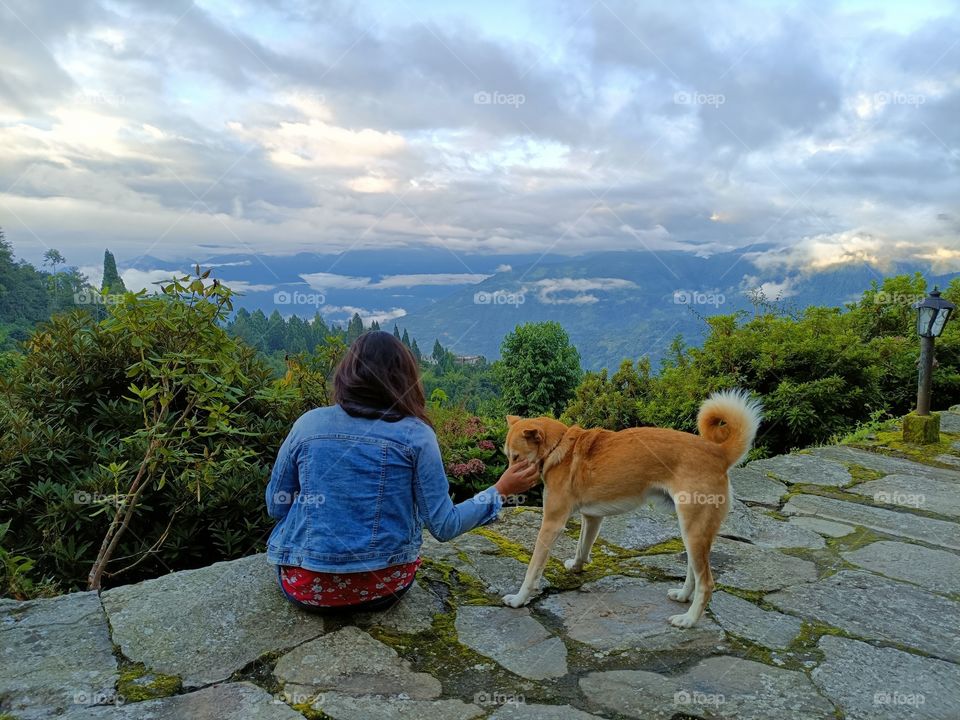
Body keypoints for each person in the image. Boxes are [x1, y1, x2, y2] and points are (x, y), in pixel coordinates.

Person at [265, 330, 539, 612]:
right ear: (405, 379)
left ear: (346, 374)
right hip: (385, 585)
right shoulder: (417, 435)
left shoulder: (308, 425)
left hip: (307, 586)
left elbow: (276, 506)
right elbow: (445, 525)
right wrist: (500, 490)